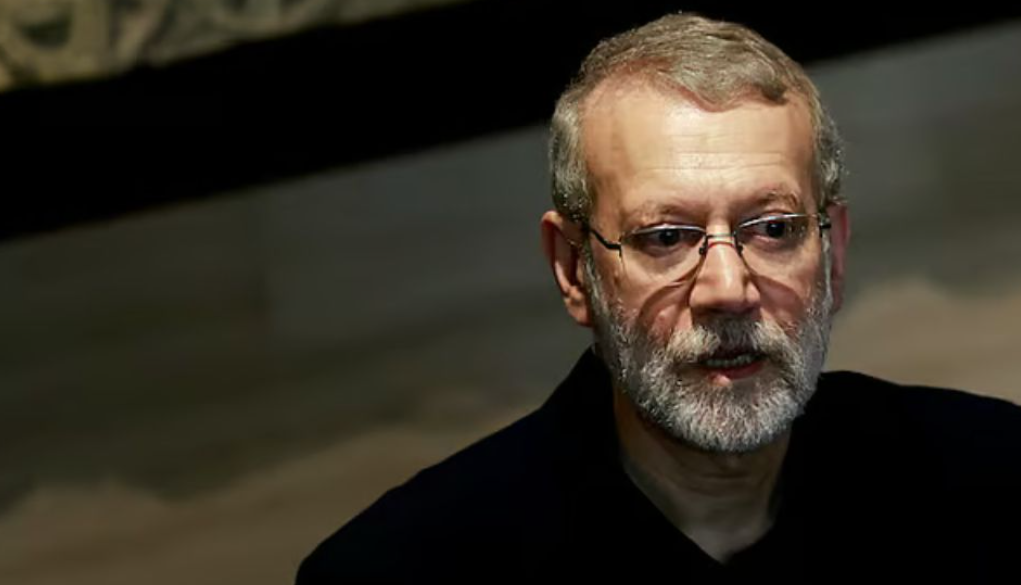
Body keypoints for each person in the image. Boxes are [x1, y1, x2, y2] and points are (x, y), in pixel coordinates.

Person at [297, 13, 1021, 582]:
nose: (728, 289)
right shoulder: (399, 569)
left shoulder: (994, 478)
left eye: (774, 228)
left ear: (831, 252)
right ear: (574, 269)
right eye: (666, 237)